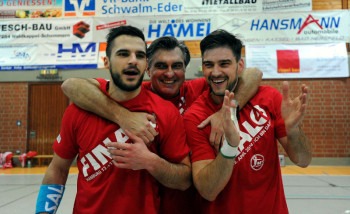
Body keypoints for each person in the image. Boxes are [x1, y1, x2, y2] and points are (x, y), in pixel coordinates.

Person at [61, 36, 263, 214]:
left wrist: (227, 111)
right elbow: (71, 85)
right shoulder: (136, 94)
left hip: (198, 202)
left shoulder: (198, 90)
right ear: (148, 68)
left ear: (185, 69)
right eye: (161, 66)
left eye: (176, 66)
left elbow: (254, 73)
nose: (169, 73)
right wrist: (123, 116)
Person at [35, 26, 192, 214]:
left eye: (140, 55)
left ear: (146, 64)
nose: (133, 61)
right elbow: (58, 169)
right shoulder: (79, 109)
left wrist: (150, 162)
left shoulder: (166, 112)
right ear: (106, 61)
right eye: (123, 54)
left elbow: (184, 180)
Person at [183, 29, 312, 214]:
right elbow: (207, 191)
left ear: (240, 65)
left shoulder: (269, 98)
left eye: (224, 64)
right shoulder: (195, 117)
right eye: (209, 65)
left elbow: (303, 160)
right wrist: (229, 147)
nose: (216, 72)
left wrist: (293, 131)